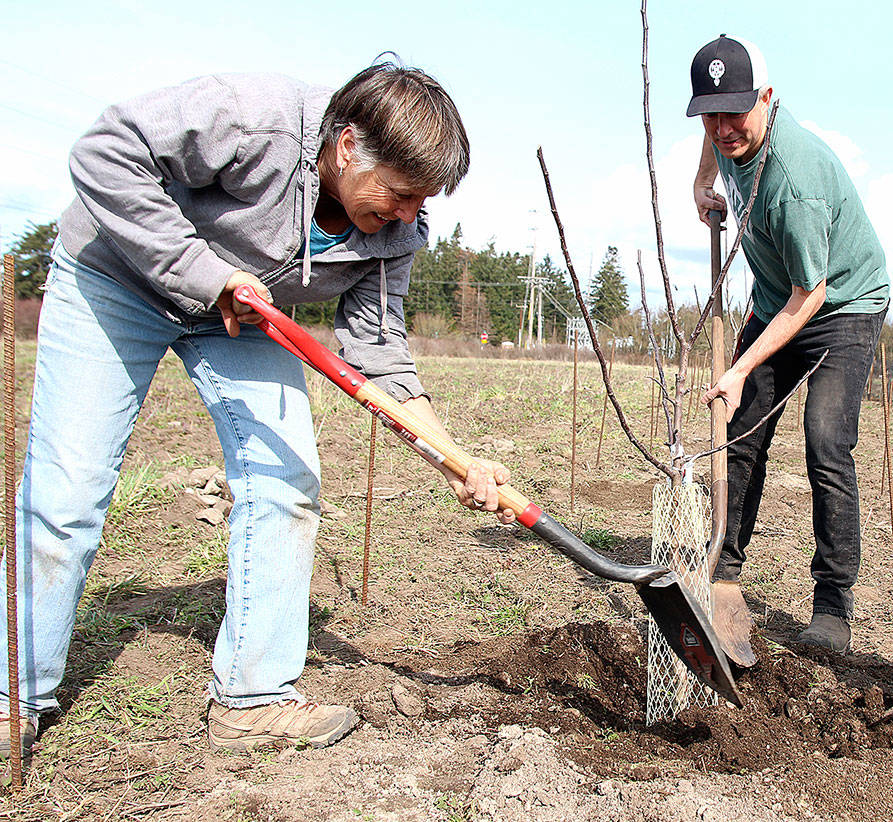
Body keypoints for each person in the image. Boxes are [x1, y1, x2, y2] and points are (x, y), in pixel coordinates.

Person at [1, 61, 515, 756]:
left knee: (288, 482)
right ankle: (15, 696)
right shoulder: (255, 117)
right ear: (346, 147)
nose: (406, 216)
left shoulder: (397, 233)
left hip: (244, 315)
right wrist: (206, 275)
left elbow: (381, 355)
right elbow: (104, 151)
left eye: (421, 203)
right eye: (399, 194)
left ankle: (252, 697)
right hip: (117, 274)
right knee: (69, 491)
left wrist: (446, 455)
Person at [689, 35, 889, 657]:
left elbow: (812, 293)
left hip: (841, 305)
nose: (723, 128)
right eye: (710, 113)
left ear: (767, 100)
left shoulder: (793, 180)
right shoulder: (729, 131)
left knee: (827, 440)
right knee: (741, 429)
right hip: (782, 303)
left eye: (735, 113)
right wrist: (703, 182)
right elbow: (713, 133)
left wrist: (741, 364)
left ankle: (833, 604)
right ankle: (720, 570)